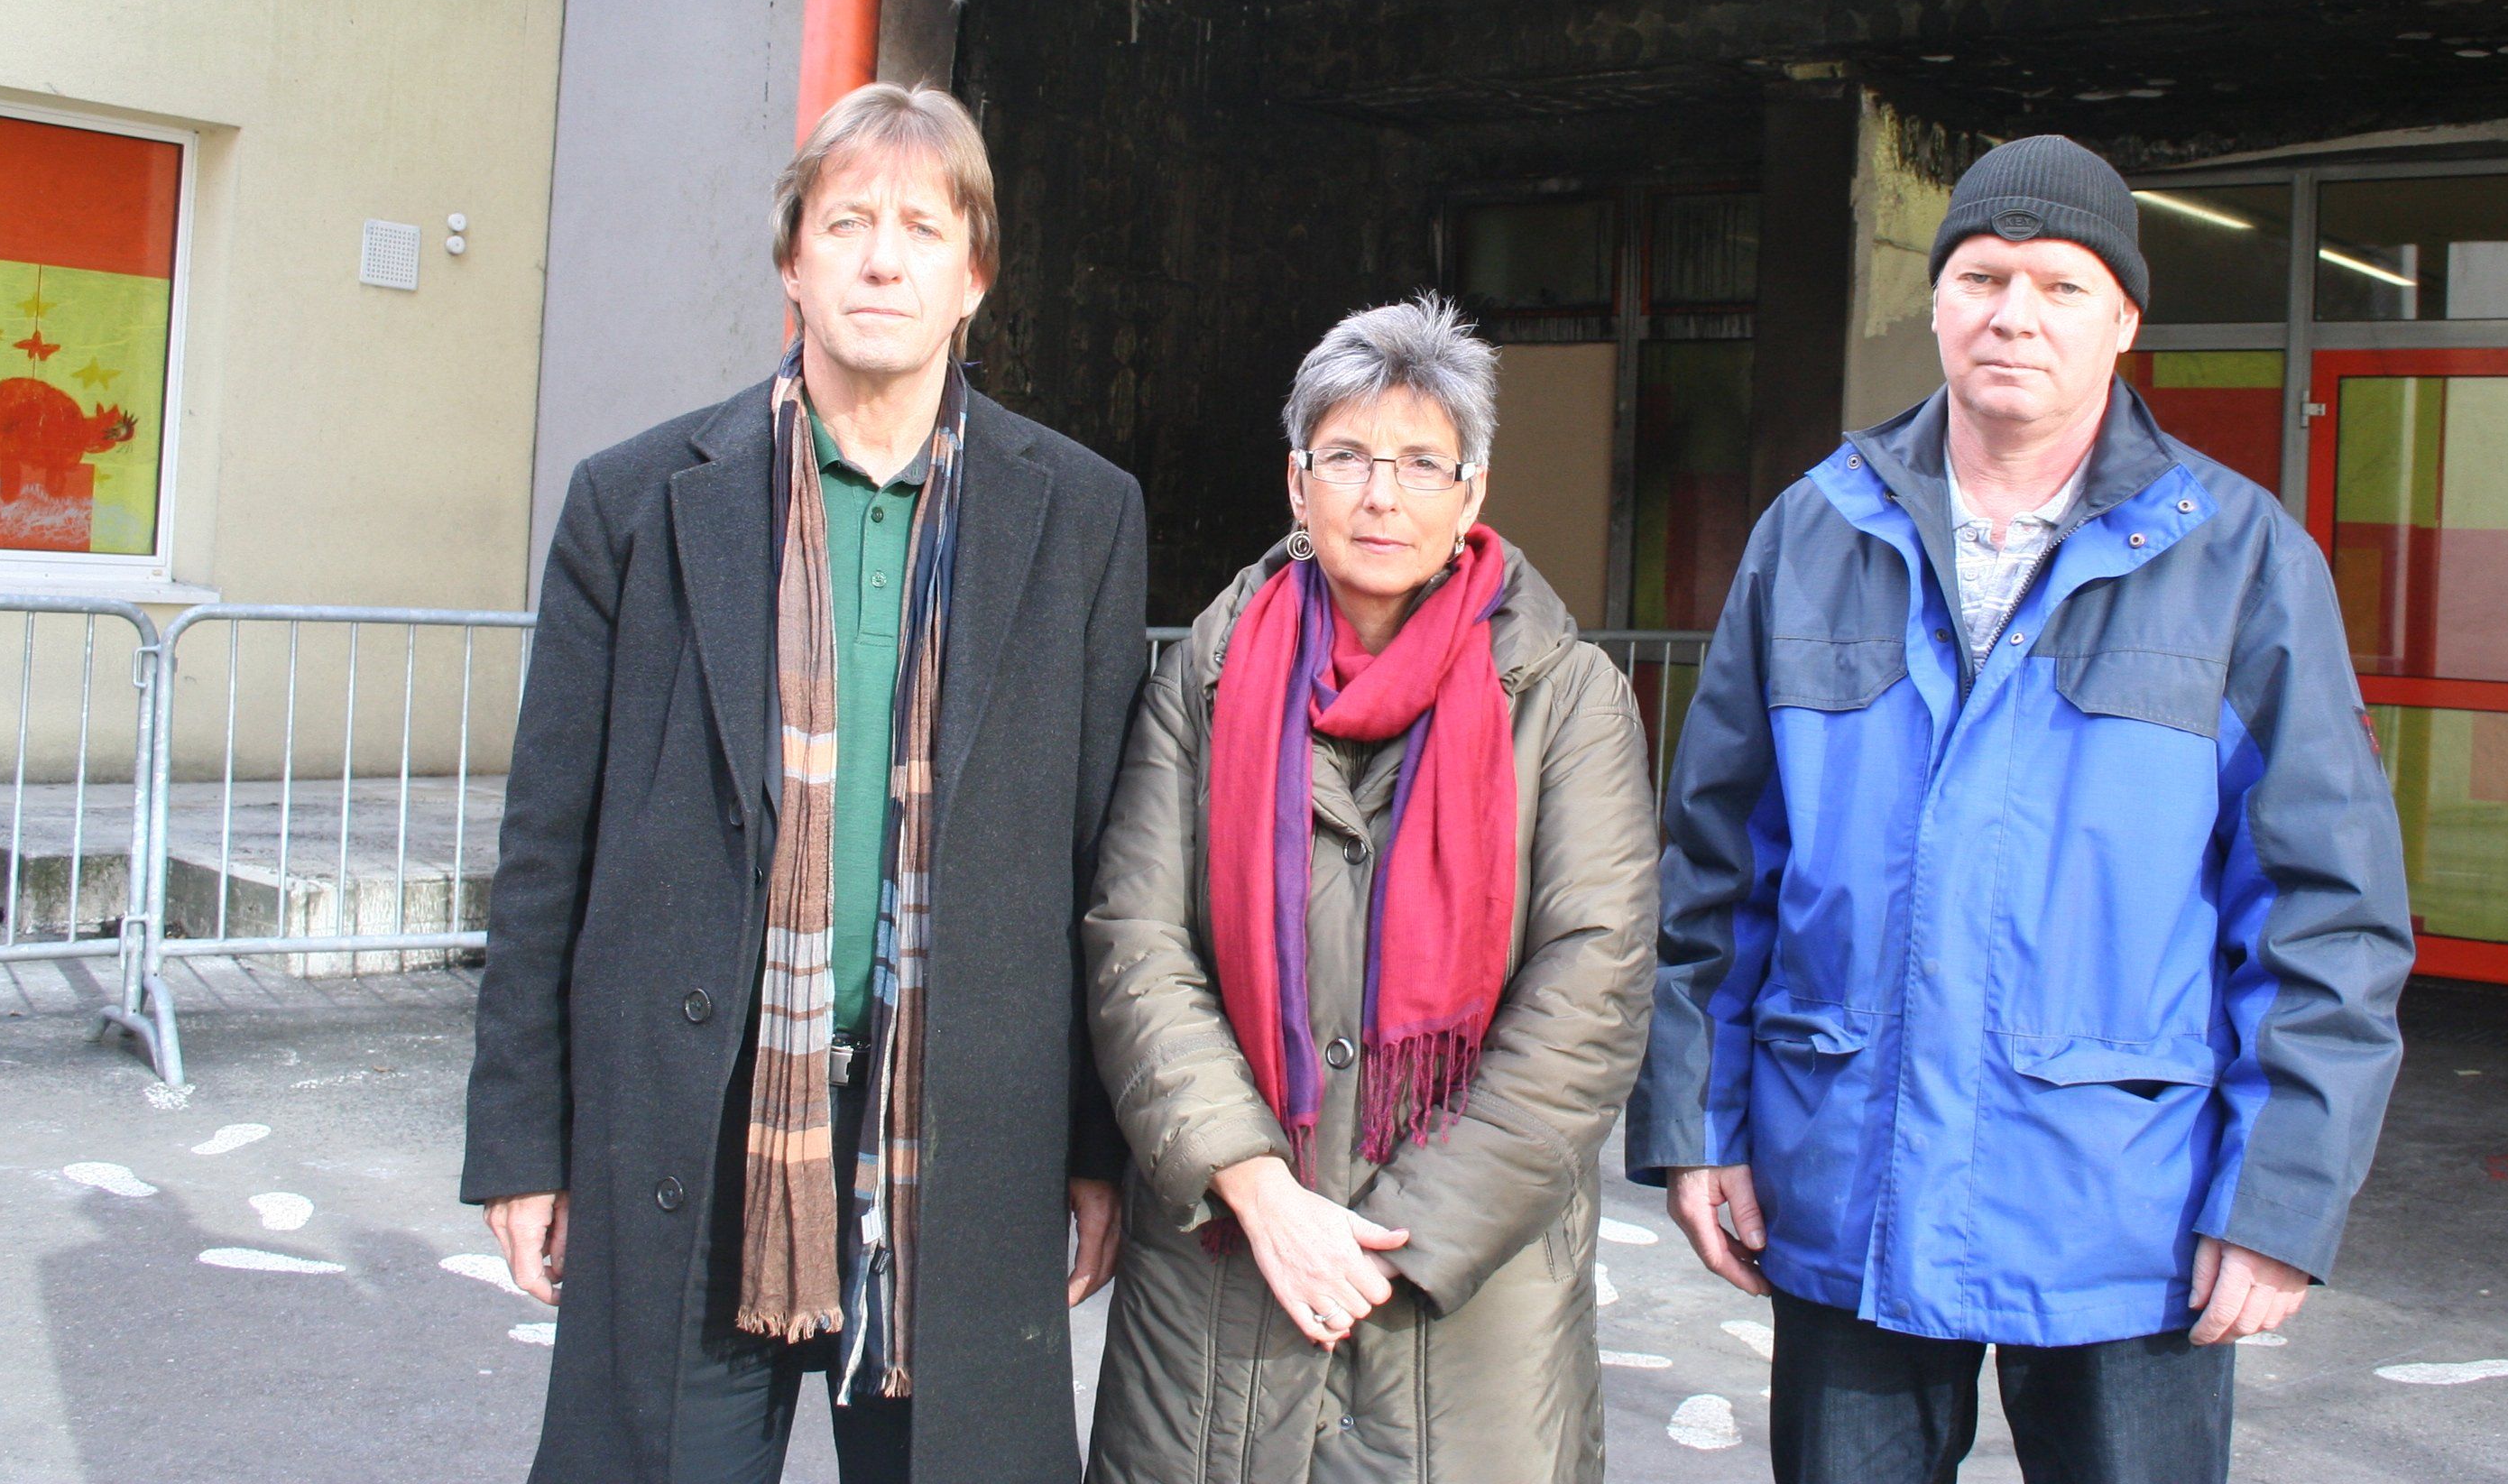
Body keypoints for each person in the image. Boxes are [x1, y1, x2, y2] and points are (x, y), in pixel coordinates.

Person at [1628, 136, 2412, 1483]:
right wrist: (1699, 1122)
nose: (2014, 314)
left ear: (2124, 320)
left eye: (2061, 284)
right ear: (1936, 303)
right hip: (1849, 1183)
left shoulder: (2235, 557)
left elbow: (2323, 909)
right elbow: (1715, 869)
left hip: (2129, 1209)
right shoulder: (1814, 533)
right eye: (1982, 277)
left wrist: (2278, 1195)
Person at [463, 83, 1148, 1484]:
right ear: (792, 260)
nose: (882, 259)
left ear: (976, 274)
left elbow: (1104, 861)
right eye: (847, 225)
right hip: (695, 1127)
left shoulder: (1082, 515)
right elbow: (547, 848)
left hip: (959, 1144)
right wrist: (524, 1139)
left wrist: (1097, 1145)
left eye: (921, 228)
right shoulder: (639, 502)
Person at [1083, 296, 1658, 1484]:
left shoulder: (1568, 698)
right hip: (1225, 1282)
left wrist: (1393, 1243)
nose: (1381, 494)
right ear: (1298, 484)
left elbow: (1590, 990)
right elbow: (1138, 942)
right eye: (1346, 456)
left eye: (1420, 462)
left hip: (1469, 1308)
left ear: (1472, 492)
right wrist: (1259, 1191)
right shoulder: (1205, 677)